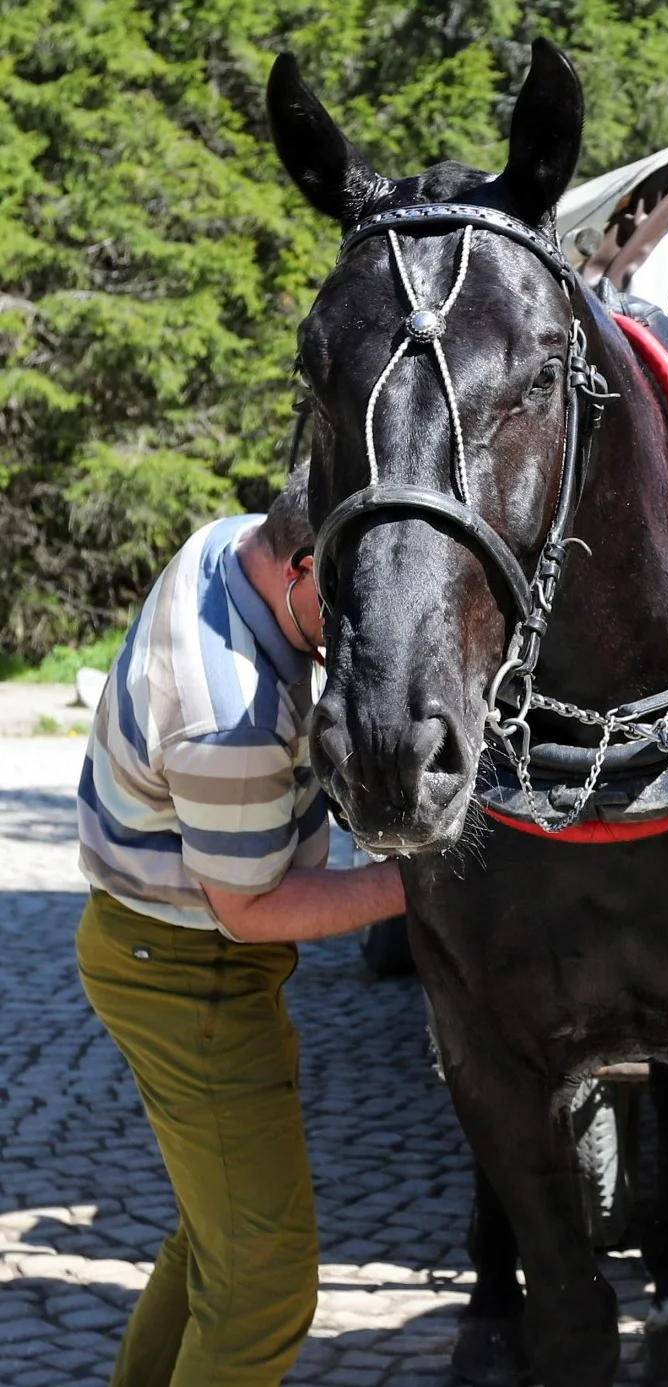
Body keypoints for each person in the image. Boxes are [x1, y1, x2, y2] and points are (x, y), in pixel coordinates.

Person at [75, 465, 405, 1386]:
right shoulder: (231, 715)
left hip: (162, 944)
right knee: (262, 1280)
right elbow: (253, 909)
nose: (364, 632)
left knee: (216, 1239)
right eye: (350, 606)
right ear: (299, 568)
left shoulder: (232, 543)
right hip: (187, 974)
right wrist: (417, 887)